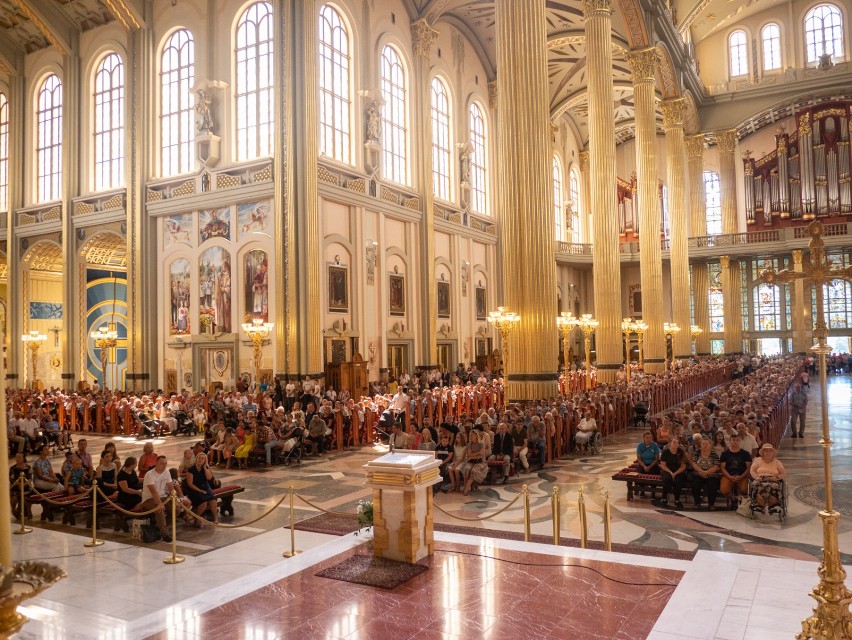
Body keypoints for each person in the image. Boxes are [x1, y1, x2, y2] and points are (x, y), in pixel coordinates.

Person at [139, 456, 190, 542]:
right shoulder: (149, 474)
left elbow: (171, 489)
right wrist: (159, 504)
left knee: (176, 510)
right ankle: (165, 534)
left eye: (165, 463)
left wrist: (176, 501)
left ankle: (160, 527)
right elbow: (153, 492)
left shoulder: (167, 473)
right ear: (156, 463)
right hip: (149, 499)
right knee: (160, 509)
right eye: (161, 463)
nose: (164, 465)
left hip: (163, 497)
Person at [750, 443, 787, 514]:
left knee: (773, 486)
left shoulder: (777, 462)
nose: (768, 452)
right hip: (760, 479)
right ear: (763, 452)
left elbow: (784, 473)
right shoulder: (758, 460)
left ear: (773, 453)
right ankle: (760, 504)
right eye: (766, 451)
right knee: (758, 486)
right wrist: (756, 477)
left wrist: (776, 477)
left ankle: (773, 505)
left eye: (770, 451)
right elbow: (752, 470)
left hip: (772, 480)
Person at [184, 453, 219, 526]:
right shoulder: (191, 469)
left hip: (205, 487)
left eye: (203, 458)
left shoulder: (205, 468)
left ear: (205, 460)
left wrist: (205, 468)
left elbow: (209, 478)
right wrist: (200, 491)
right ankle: (196, 518)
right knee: (204, 503)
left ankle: (215, 518)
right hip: (194, 489)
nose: (200, 460)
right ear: (196, 459)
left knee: (213, 501)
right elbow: (190, 484)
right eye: (199, 458)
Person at [719, 434, 752, 506]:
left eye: (737, 440)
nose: (735, 442)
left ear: (740, 441)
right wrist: (729, 476)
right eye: (733, 440)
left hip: (742, 475)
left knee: (745, 489)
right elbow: (722, 468)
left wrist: (741, 476)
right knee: (724, 490)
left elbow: (749, 468)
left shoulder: (746, 453)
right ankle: (733, 499)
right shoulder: (725, 454)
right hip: (728, 475)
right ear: (730, 441)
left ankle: (742, 501)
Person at [689, 438, 721, 510]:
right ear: (701, 445)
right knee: (695, 484)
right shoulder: (697, 452)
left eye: (707, 444)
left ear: (710, 445)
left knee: (713, 485)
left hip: (711, 474)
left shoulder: (714, 454)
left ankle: (711, 504)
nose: (705, 445)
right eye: (703, 444)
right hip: (698, 473)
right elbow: (693, 463)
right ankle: (697, 503)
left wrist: (707, 472)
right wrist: (701, 471)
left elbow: (716, 466)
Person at [657, 438, 687, 509]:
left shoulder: (681, 452)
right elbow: (663, 465)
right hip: (667, 470)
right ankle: (664, 498)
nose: (676, 444)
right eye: (674, 442)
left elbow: (683, 466)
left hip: (678, 471)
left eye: (677, 443)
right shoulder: (665, 452)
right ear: (670, 443)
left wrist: (675, 473)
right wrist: (670, 472)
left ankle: (677, 500)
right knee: (667, 479)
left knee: (678, 481)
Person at [460, 429, 487, 496]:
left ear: (476, 436)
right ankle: (466, 485)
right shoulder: (469, 444)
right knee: (466, 469)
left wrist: (473, 455)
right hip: (471, 461)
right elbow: (469, 455)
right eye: (469, 435)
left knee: (473, 471)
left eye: (471, 435)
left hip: (480, 462)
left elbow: (482, 454)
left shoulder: (481, 444)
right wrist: (478, 454)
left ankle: (466, 489)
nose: (470, 437)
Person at [9, 453, 33, 519]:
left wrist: (24, 485)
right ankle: (13, 510)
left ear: (23, 458)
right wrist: (19, 485)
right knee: (14, 498)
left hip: (26, 487)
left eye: (19, 457)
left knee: (27, 497)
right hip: (16, 487)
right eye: (16, 457)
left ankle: (28, 511)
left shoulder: (28, 467)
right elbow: (12, 479)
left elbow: (30, 478)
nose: (17, 459)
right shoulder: (13, 468)